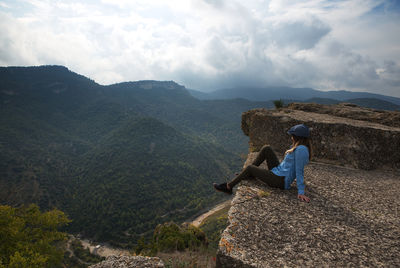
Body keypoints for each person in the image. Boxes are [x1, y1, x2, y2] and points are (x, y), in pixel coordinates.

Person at [213, 124, 312, 202]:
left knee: (250, 168)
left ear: (296, 137)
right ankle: (248, 174)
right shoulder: (299, 147)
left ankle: (228, 186)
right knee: (266, 148)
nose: (291, 138)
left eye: (292, 136)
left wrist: (301, 191)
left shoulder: (301, 150)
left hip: (280, 180)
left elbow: (299, 170)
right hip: (279, 172)